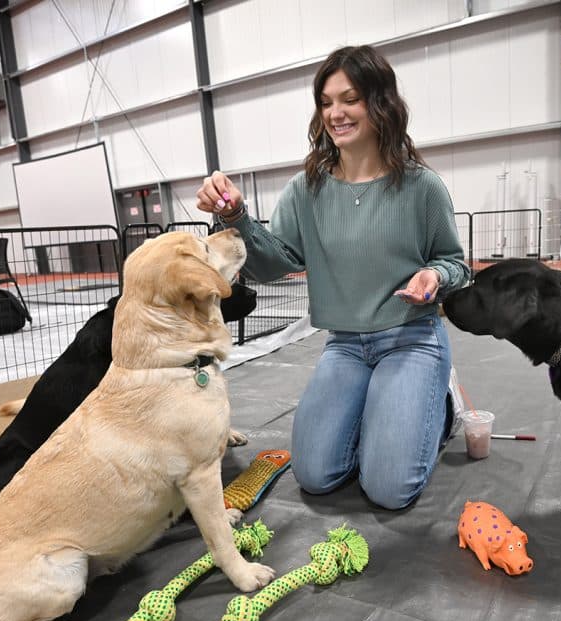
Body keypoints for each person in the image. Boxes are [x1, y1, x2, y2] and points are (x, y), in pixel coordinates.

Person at [197, 45, 470, 510]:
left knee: (388, 489)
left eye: (350, 99)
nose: (335, 113)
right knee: (316, 475)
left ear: (380, 103)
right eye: (326, 102)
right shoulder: (305, 189)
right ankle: (386, 409)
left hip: (411, 339)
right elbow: (272, 263)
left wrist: (434, 274)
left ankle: (441, 405)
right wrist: (237, 217)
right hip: (345, 344)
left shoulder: (421, 186)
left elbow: (457, 265)